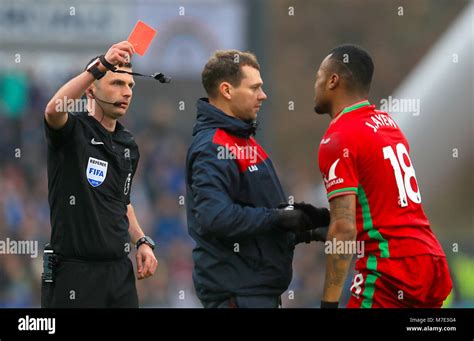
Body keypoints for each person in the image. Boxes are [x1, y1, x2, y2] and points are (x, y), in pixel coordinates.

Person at [185, 50, 330, 308]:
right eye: (255, 88)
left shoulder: (246, 141)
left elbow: (259, 219)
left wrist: (306, 227)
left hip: (258, 295)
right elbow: (215, 218)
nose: (263, 95)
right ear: (227, 90)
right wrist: (278, 218)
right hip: (238, 297)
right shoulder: (213, 147)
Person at [313, 44, 452, 308]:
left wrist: (328, 303)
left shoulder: (338, 136)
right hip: (429, 259)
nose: (315, 84)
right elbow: (381, 206)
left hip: (391, 267)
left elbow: (343, 229)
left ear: (333, 80)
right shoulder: (388, 124)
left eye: (318, 75)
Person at [42, 41, 158, 308]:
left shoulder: (128, 144)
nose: (126, 92)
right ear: (91, 88)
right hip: (75, 273)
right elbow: (52, 109)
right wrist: (100, 66)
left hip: (119, 273)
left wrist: (141, 240)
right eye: (117, 83)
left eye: (130, 86)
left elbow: (122, 202)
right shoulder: (72, 131)